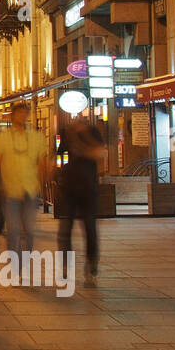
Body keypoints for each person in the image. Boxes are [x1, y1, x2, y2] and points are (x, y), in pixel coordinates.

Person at [0, 102, 50, 279]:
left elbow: (42, 163)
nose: (22, 117)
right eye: (19, 114)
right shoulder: (2, 139)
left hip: (30, 189)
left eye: (25, 114)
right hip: (10, 190)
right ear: (12, 117)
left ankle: (24, 265)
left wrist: (44, 183)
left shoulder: (36, 138)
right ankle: (16, 267)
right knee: (13, 230)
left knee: (30, 232)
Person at [57, 115, 105, 287]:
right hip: (69, 187)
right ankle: (65, 266)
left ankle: (92, 268)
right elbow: (59, 154)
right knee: (65, 229)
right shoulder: (67, 133)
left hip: (88, 188)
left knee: (90, 228)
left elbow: (99, 153)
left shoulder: (93, 132)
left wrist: (83, 144)